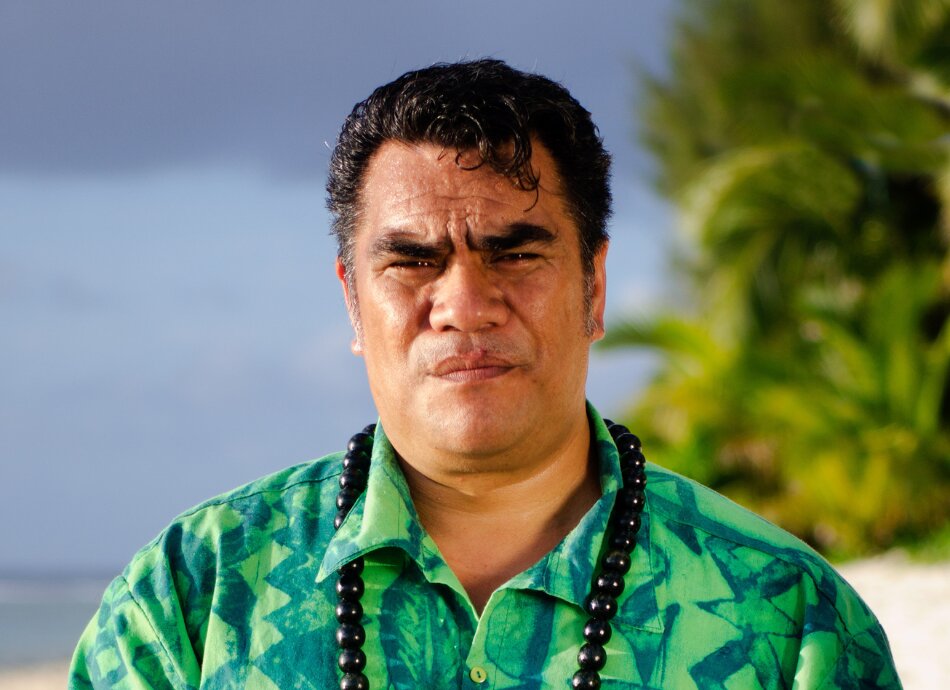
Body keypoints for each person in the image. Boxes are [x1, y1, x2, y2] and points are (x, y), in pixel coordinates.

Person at [69, 59, 901, 689]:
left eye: (515, 253)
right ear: (354, 303)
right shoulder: (193, 597)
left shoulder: (789, 621)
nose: (465, 304)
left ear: (594, 286)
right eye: (413, 262)